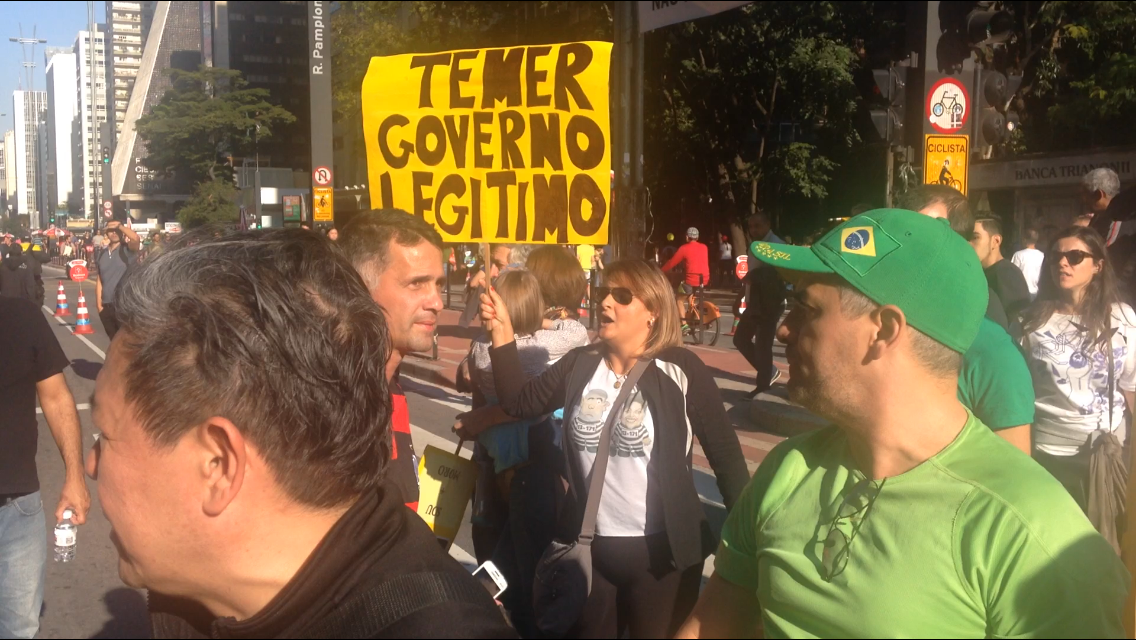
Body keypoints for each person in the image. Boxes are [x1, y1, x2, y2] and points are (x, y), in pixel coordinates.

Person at [677, 209, 1129, 639]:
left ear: (884, 330)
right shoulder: (786, 470)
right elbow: (709, 624)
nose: (783, 330)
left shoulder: (1030, 532)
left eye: (808, 309)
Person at [85, 229, 513, 639]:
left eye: (105, 434)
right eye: (416, 283)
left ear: (218, 464)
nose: (91, 464)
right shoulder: (188, 597)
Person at [476, 259, 750, 639]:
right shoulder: (581, 364)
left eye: (621, 296)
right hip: (589, 551)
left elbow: (727, 460)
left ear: (653, 311)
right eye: (603, 292)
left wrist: (748, 550)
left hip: (663, 558)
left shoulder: (681, 368)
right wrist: (502, 332)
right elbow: (519, 402)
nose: (605, 302)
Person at [459, 270, 590, 637]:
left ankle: (491, 608)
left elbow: (472, 376)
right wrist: (541, 319)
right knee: (531, 562)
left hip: (499, 461)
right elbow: (577, 331)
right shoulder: (547, 346)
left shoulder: (482, 351)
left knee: (503, 556)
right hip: (537, 464)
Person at [899, 185, 1035, 455]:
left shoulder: (990, 340)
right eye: (904, 228)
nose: (909, 240)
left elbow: (1011, 465)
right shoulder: (882, 311)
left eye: (928, 230)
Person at [1023, 227, 1136, 517]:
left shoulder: (1123, 318)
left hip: (1107, 452)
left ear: (1098, 265)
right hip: (1048, 454)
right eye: (1055, 257)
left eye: (1074, 256)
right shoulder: (1029, 323)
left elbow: (1131, 387)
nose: (1062, 263)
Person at [339, 209, 447, 510]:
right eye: (417, 283)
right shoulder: (336, 403)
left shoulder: (390, 386)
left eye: (438, 284)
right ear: (360, 288)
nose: (437, 302)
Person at [0, 296, 90, 639]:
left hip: (17, 508)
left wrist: (75, 477)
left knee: (19, 629)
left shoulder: (21, 314)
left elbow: (56, 396)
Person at [733, 212, 787, 398]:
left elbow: (780, 274)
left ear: (767, 224)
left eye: (757, 226)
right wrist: (741, 296)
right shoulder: (755, 245)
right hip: (755, 302)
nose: (753, 230)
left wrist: (755, 277)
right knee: (740, 339)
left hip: (770, 302)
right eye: (751, 226)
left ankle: (763, 385)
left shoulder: (777, 245)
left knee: (763, 345)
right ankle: (768, 371)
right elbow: (751, 273)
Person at [972, 216, 1031, 338]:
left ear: (996, 241)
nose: (969, 243)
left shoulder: (1007, 274)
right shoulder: (980, 271)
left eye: (975, 237)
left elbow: (1016, 326)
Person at [95, 220, 141, 340]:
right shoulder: (102, 254)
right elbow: (100, 279)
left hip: (124, 306)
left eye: (117, 230)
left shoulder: (127, 250)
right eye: (111, 230)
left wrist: (120, 226)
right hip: (106, 307)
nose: (114, 233)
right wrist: (99, 305)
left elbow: (135, 238)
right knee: (113, 342)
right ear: (106, 233)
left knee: (127, 343)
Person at [1012, 227, 1045, 301]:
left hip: (1021, 294)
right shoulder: (1042, 255)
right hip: (1038, 293)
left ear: (1024, 239)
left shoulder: (1018, 255)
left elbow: (1013, 274)